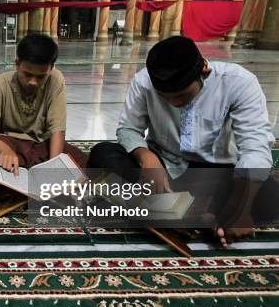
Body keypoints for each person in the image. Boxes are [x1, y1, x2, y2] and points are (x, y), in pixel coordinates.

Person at [88, 36, 277, 247]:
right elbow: (128, 129)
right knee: (102, 155)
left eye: (181, 95)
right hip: (165, 171)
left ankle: (164, 213)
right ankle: (201, 216)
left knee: (270, 196)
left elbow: (255, 147)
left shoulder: (238, 82)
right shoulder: (144, 81)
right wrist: (146, 158)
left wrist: (241, 208)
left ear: (204, 71)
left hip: (216, 173)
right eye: (165, 97)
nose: (174, 103)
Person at [0, 33, 87, 189]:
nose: (33, 82)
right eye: (27, 74)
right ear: (17, 64)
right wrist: (4, 149)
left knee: (81, 160)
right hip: (11, 144)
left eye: (41, 77)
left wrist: (52, 168)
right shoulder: (2, 83)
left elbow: (57, 129)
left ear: (51, 68)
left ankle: (5, 178)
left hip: (42, 146)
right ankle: (11, 174)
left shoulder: (55, 80)